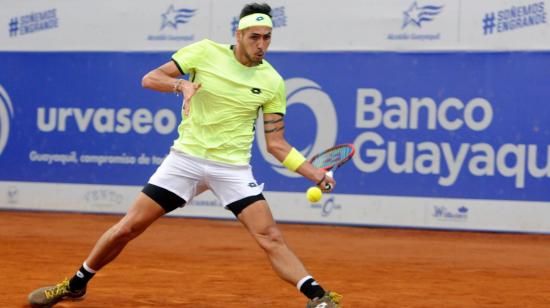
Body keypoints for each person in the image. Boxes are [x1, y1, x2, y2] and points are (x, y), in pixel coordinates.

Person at [27, 3, 342, 308]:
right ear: (239, 34)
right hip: (186, 160)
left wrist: (314, 173)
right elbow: (150, 78)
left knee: (269, 236)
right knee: (128, 228)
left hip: (231, 169)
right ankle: (75, 283)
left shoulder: (272, 81)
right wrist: (181, 86)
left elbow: (276, 143)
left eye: (267, 37)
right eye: (254, 37)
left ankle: (319, 297)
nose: (261, 44)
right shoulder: (205, 52)